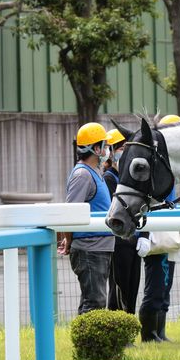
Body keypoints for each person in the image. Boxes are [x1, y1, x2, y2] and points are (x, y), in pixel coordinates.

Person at [57, 122, 114, 315]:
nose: (107, 150)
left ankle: (84, 335)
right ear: (96, 149)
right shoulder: (82, 174)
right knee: (95, 302)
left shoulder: (95, 172)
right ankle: (86, 336)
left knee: (94, 301)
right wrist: (68, 240)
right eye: (105, 145)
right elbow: (70, 213)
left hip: (99, 247)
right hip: (90, 248)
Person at [135, 113, 180, 342]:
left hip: (168, 227)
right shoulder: (155, 164)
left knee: (166, 282)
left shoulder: (170, 165)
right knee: (156, 283)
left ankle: (160, 331)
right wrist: (143, 234)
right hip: (155, 228)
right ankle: (149, 334)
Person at [104, 128, 142, 315]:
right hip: (119, 242)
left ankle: (130, 325)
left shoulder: (128, 178)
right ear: (111, 152)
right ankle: (117, 326)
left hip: (134, 240)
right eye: (121, 148)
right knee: (119, 290)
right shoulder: (109, 178)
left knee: (133, 288)